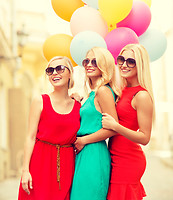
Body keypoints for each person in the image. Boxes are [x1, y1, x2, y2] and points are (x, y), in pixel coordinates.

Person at [18, 56, 81, 200]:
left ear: (70, 73)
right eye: (50, 70)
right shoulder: (40, 100)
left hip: (67, 164)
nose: (54, 73)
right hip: (40, 163)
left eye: (60, 68)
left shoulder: (78, 105)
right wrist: (25, 171)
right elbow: (30, 137)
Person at [102, 43, 154, 200]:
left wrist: (116, 127)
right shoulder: (121, 90)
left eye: (131, 61)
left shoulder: (142, 96)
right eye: (121, 59)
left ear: (140, 64)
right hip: (113, 156)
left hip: (128, 160)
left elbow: (145, 138)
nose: (124, 64)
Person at [70, 47, 120, 200]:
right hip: (84, 151)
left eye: (95, 61)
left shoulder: (103, 91)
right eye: (86, 61)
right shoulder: (92, 93)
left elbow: (113, 128)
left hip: (93, 152)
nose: (89, 65)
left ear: (104, 65)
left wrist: (83, 140)